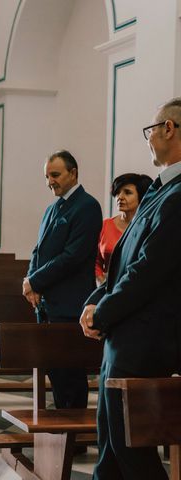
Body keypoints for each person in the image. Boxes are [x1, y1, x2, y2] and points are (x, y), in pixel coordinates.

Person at [80, 98, 181, 480]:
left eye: (151, 129)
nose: (150, 138)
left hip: (145, 340)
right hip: (125, 337)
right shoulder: (159, 191)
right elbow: (122, 261)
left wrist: (103, 312)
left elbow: (147, 271)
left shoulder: (178, 196)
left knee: (129, 447)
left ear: (169, 129)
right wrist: (94, 302)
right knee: (110, 445)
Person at [24, 150, 102, 410]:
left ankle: (74, 439)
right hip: (48, 305)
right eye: (47, 176)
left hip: (70, 305)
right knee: (54, 371)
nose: (50, 182)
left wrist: (36, 281)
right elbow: (38, 250)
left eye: (55, 175)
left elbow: (73, 257)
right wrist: (31, 280)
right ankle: (61, 435)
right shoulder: (52, 208)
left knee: (71, 374)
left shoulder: (88, 206)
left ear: (73, 173)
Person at [96, 173, 153, 284]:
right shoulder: (105, 225)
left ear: (142, 197)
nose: (120, 197)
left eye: (127, 192)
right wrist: (101, 282)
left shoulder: (148, 227)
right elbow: (96, 261)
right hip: (107, 288)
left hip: (138, 287)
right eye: (118, 193)